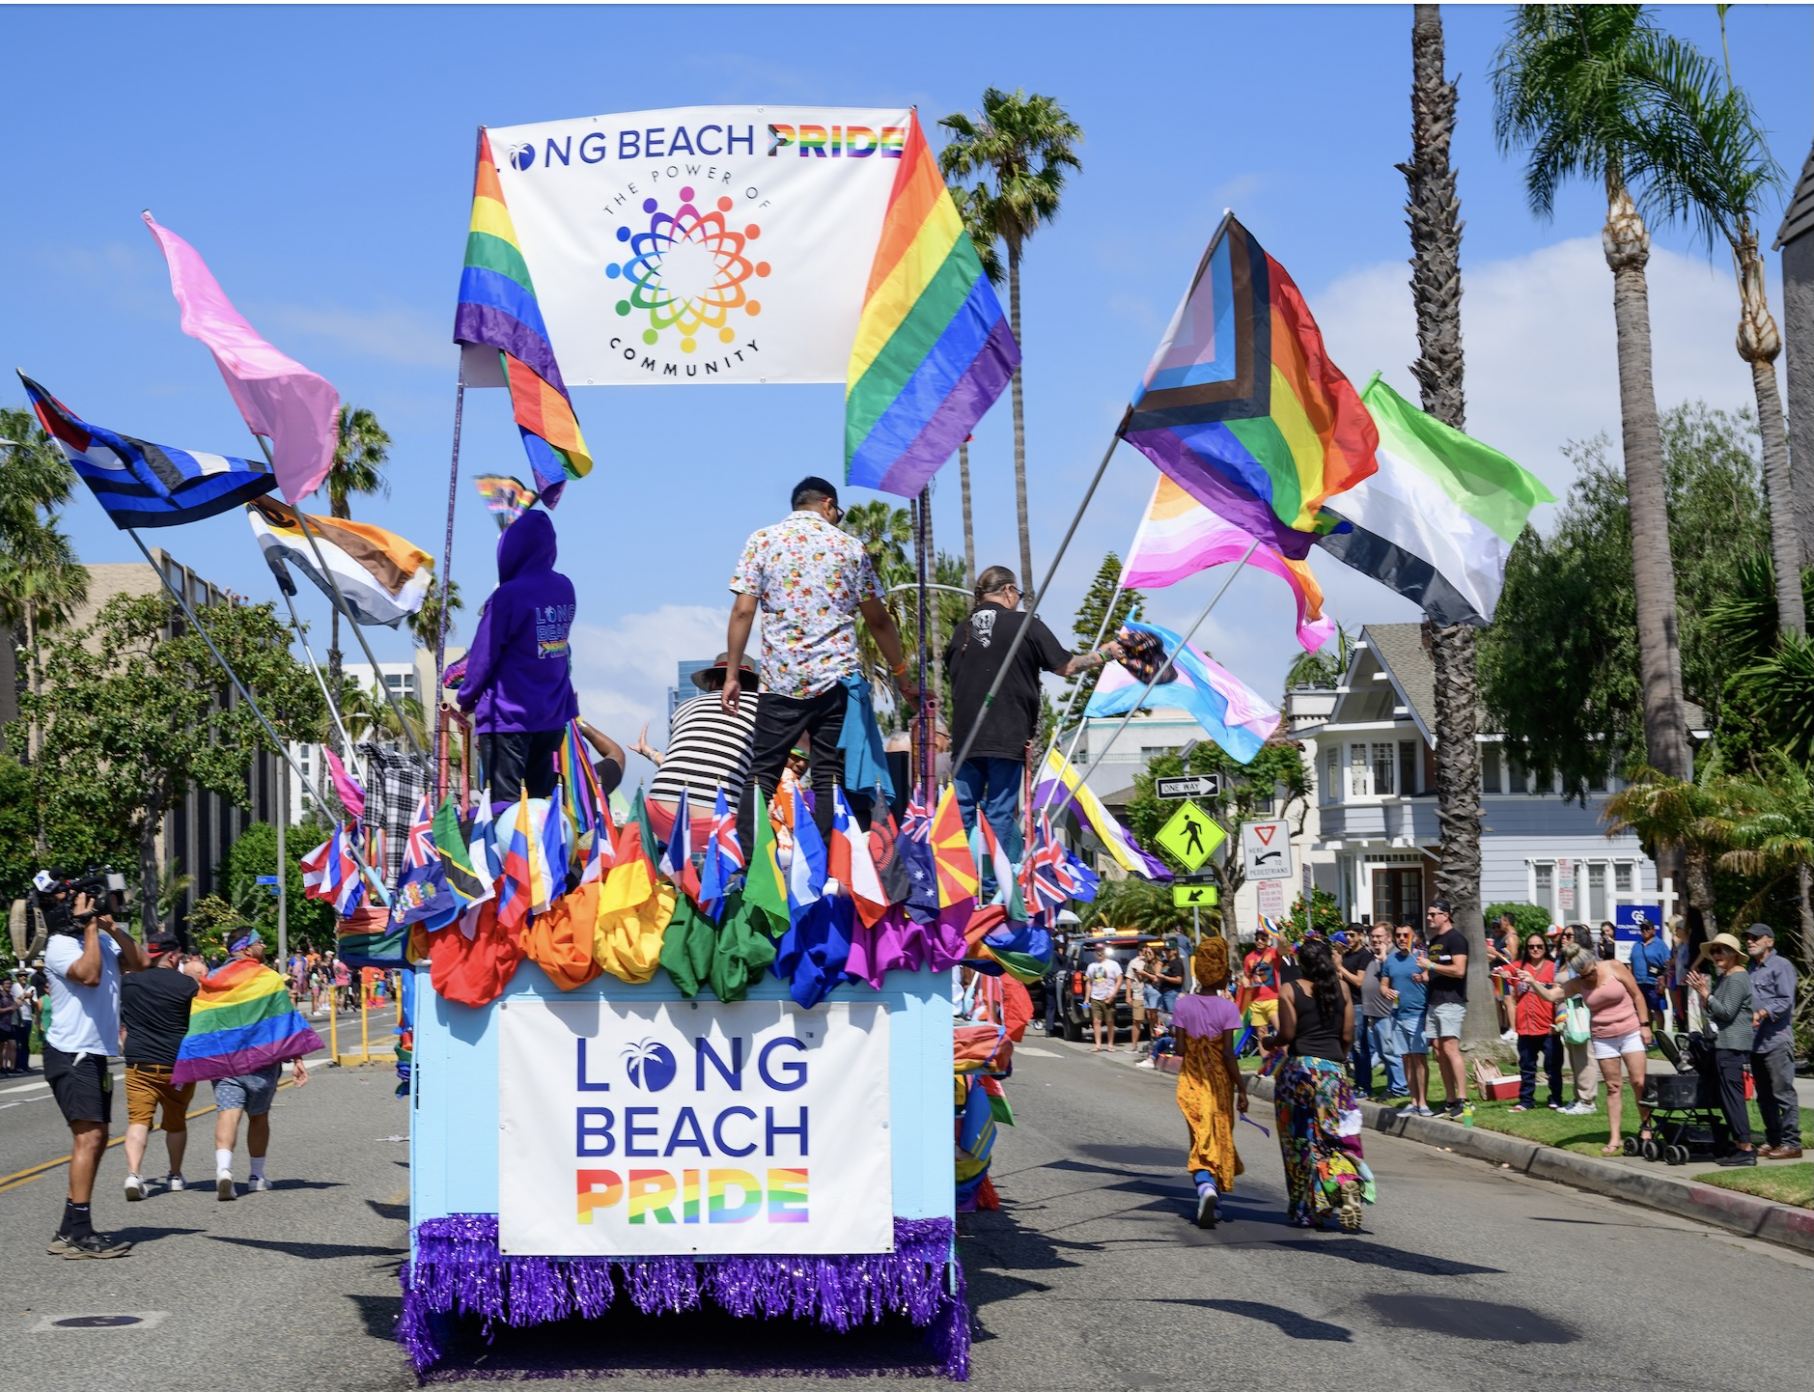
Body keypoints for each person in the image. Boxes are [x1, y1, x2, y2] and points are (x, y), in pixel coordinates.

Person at [724, 477, 919, 850]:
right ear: (828, 505)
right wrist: (901, 676)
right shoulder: (849, 547)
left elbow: (743, 611)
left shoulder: (762, 541)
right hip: (835, 680)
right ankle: (828, 863)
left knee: (762, 772)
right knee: (829, 772)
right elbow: (878, 621)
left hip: (781, 678)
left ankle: (749, 862)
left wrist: (733, 674)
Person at [943, 565, 1118, 865]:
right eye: (1018, 595)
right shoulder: (1024, 624)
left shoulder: (962, 631)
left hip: (965, 736)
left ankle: (957, 879)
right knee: (999, 812)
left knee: (961, 812)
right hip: (1006, 733)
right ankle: (994, 881)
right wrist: (1104, 654)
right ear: (1009, 591)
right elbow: (1066, 666)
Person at [41, 878, 148, 1258]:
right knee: (89, 1137)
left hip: (94, 1053)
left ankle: (68, 1227)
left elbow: (140, 962)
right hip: (71, 1052)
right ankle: (81, 1232)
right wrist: (89, 926)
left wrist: (111, 928)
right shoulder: (60, 944)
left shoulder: (100, 940)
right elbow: (89, 975)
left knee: (97, 1137)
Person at [456, 508, 578, 807]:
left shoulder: (508, 596)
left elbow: (483, 656)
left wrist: (466, 697)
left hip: (508, 717)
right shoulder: (565, 588)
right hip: (551, 715)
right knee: (541, 803)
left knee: (504, 805)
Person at [188, 934, 319, 1200]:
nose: (264, 946)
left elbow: (203, 1018)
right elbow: (284, 1019)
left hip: (225, 1061)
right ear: (246, 949)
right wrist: (297, 1058)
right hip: (261, 1061)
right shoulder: (267, 977)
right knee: (258, 1116)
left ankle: (224, 1170)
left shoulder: (213, 979)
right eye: (259, 942)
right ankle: (257, 1176)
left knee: (227, 1113)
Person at [1266, 938, 1374, 1231]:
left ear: (1301, 963)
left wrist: (1270, 1042)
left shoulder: (1290, 989)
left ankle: (1306, 1209)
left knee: (1299, 1141)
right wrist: (1337, 1063)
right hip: (1333, 1072)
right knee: (1334, 1137)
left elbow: (1287, 1035)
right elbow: (1348, 1035)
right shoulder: (1342, 989)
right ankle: (1344, 1180)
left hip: (1299, 1072)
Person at [1522, 925, 1653, 1155]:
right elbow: (1551, 996)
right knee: (1613, 1087)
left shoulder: (1614, 967)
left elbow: (1637, 995)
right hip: (1603, 1037)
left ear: (1594, 961)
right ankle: (1615, 1137)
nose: (1589, 977)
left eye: (1591, 972)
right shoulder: (1578, 983)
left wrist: (1644, 1025)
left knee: (1639, 1082)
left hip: (1630, 1030)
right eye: (1583, 975)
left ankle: (1646, 1127)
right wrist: (1533, 982)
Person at [639, 653, 760, 845]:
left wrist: (650, 753)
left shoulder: (684, 707)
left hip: (658, 814)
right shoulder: (762, 708)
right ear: (752, 685)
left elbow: (691, 760)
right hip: (719, 822)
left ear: (712, 682)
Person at [1171, 936, 1247, 1228]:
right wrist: (1242, 1088)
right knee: (1219, 1134)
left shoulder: (1183, 1005)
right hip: (1219, 1083)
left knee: (1199, 1136)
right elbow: (1228, 1054)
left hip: (1191, 1080)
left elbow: (1179, 1049)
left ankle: (1204, 1186)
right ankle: (1213, 1192)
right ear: (1222, 973)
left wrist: (1193, 1043)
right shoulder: (1228, 1009)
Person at [118, 935, 200, 1200]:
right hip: (177, 1064)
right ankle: (174, 1175)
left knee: (138, 1121)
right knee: (176, 1123)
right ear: (173, 956)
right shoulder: (187, 985)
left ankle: (133, 1174)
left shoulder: (129, 982)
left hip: (139, 1062)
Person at [1687, 933, 1756, 1167]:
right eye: (1714, 951)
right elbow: (1714, 1010)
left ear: (1734, 954)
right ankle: (1738, 1144)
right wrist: (1704, 996)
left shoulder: (1737, 978)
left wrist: (1705, 993)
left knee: (1733, 1098)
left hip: (1732, 1046)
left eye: (1721, 950)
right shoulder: (1726, 977)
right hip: (1722, 1044)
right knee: (1726, 1098)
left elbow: (1726, 1012)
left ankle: (1745, 1148)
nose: (1716, 955)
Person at [1744, 924, 1801, 1160]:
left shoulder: (1781, 965)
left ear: (1770, 941)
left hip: (1776, 1041)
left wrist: (1763, 1012)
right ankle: (1774, 1139)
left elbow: (1786, 1000)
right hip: (1756, 1043)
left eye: (1755, 937)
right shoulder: (1750, 969)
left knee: (1783, 1093)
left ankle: (1792, 1143)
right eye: (1748, 938)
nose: (1750, 941)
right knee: (1764, 1096)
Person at [1422, 899, 1471, 1118]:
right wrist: (1424, 975)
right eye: (1429, 914)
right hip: (1434, 1001)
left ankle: (1464, 1099)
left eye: (1433, 914)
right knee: (1438, 1051)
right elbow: (1435, 971)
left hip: (1451, 1001)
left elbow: (1459, 970)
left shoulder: (1456, 939)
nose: (1429, 917)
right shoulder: (1434, 941)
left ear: (1446, 915)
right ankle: (1450, 1099)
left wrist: (1431, 965)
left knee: (1451, 1048)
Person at [1379, 922, 1431, 1114]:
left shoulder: (1421, 957)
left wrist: (1424, 977)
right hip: (1397, 1015)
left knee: (1419, 1058)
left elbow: (1430, 978)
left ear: (1413, 937)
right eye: (1399, 935)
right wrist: (1386, 991)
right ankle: (1414, 1101)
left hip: (1417, 1014)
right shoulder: (1390, 960)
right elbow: (1383, 984)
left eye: (1405, 935)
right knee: (1406, 1058)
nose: (1402, 938)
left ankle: (1423, 1102)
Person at [1509, 932, 1564, 1112]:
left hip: (1548, 1026)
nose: (1535, 949)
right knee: (1527, 1066)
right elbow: (1504, 970)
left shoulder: (1553, 968)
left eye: (1539, 946)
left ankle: (1555, 1098)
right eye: (1531, 946)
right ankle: (1526, 1100)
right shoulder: (1519, 967)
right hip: (1525, 1026)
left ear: (1545, 948)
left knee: (1553, 1067)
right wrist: (1500, 970)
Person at [1336, 930, 1376, 1093]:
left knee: (1360, 1046)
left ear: (1360, 936)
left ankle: (1365, 1085)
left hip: (1359, 1004)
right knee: (1351, 1045)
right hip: (1346, 1003)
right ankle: (1358, 1082)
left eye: (1352, 935)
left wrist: (1340, 967)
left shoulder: (1364, 955)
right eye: (1346, 935)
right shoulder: (1346, 955)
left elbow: (1359, 981)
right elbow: (1341, 977)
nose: (1348, 938)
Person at [1240, 926, 1284, 1037]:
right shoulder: (1248, 957)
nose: (1259, 941)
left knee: (1282, 1032)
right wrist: (1246, 983)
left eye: (1263, 939)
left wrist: (1279, 930)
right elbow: (1246, 976)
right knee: (1262, 1037)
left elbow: (1284, 948)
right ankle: (1267, 1050)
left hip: (1272, 1000)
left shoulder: (1273, 953)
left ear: (1268, 939)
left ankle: (1287, 1049)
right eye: (1257, 938)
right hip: (1256, 1003)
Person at [1627, 915, 1670, 1023]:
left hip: (1654, 983)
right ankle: (1648, 1031)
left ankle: (1660, 1032)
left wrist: (1663, 979)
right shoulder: (1636, 945)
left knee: (1657, 1009)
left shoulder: (1660, 944)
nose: (1644, 931)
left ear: (1653, 930)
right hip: (1639, 983)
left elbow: (1668, 963)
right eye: (1642, 928)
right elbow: (1631, 964)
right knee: (1643, 1009)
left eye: (1647, 928)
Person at [1084, 943, 1122, 1053]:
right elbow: (1088, 983)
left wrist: (1113, 994)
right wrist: (1087, 999)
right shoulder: (1091, 966)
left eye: (1101, 951)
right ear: (1094, 953)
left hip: (1108, 997)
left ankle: (1110, 1044)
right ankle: (1098, 1045)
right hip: (1095, 997)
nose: (1099, 953)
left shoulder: (1113, 964)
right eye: (1097, 951)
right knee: (1096, 1021)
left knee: (1110, 1021)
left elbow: (1119, 980)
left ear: (1105, 952)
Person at [1125, 946, 1154, 1055]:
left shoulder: (1154, 961)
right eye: (1144, 951)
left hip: (1152, 994)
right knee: (1136, 1020)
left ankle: (1154, 1044)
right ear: (1140, 951)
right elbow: (1129, 979)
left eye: (1148, 951)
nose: (1146, 953)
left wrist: (1150, 959)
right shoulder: (1134, 962)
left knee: (1153, 1020)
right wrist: (1128, 995)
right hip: (1139, 994)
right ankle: (1134, 1047)